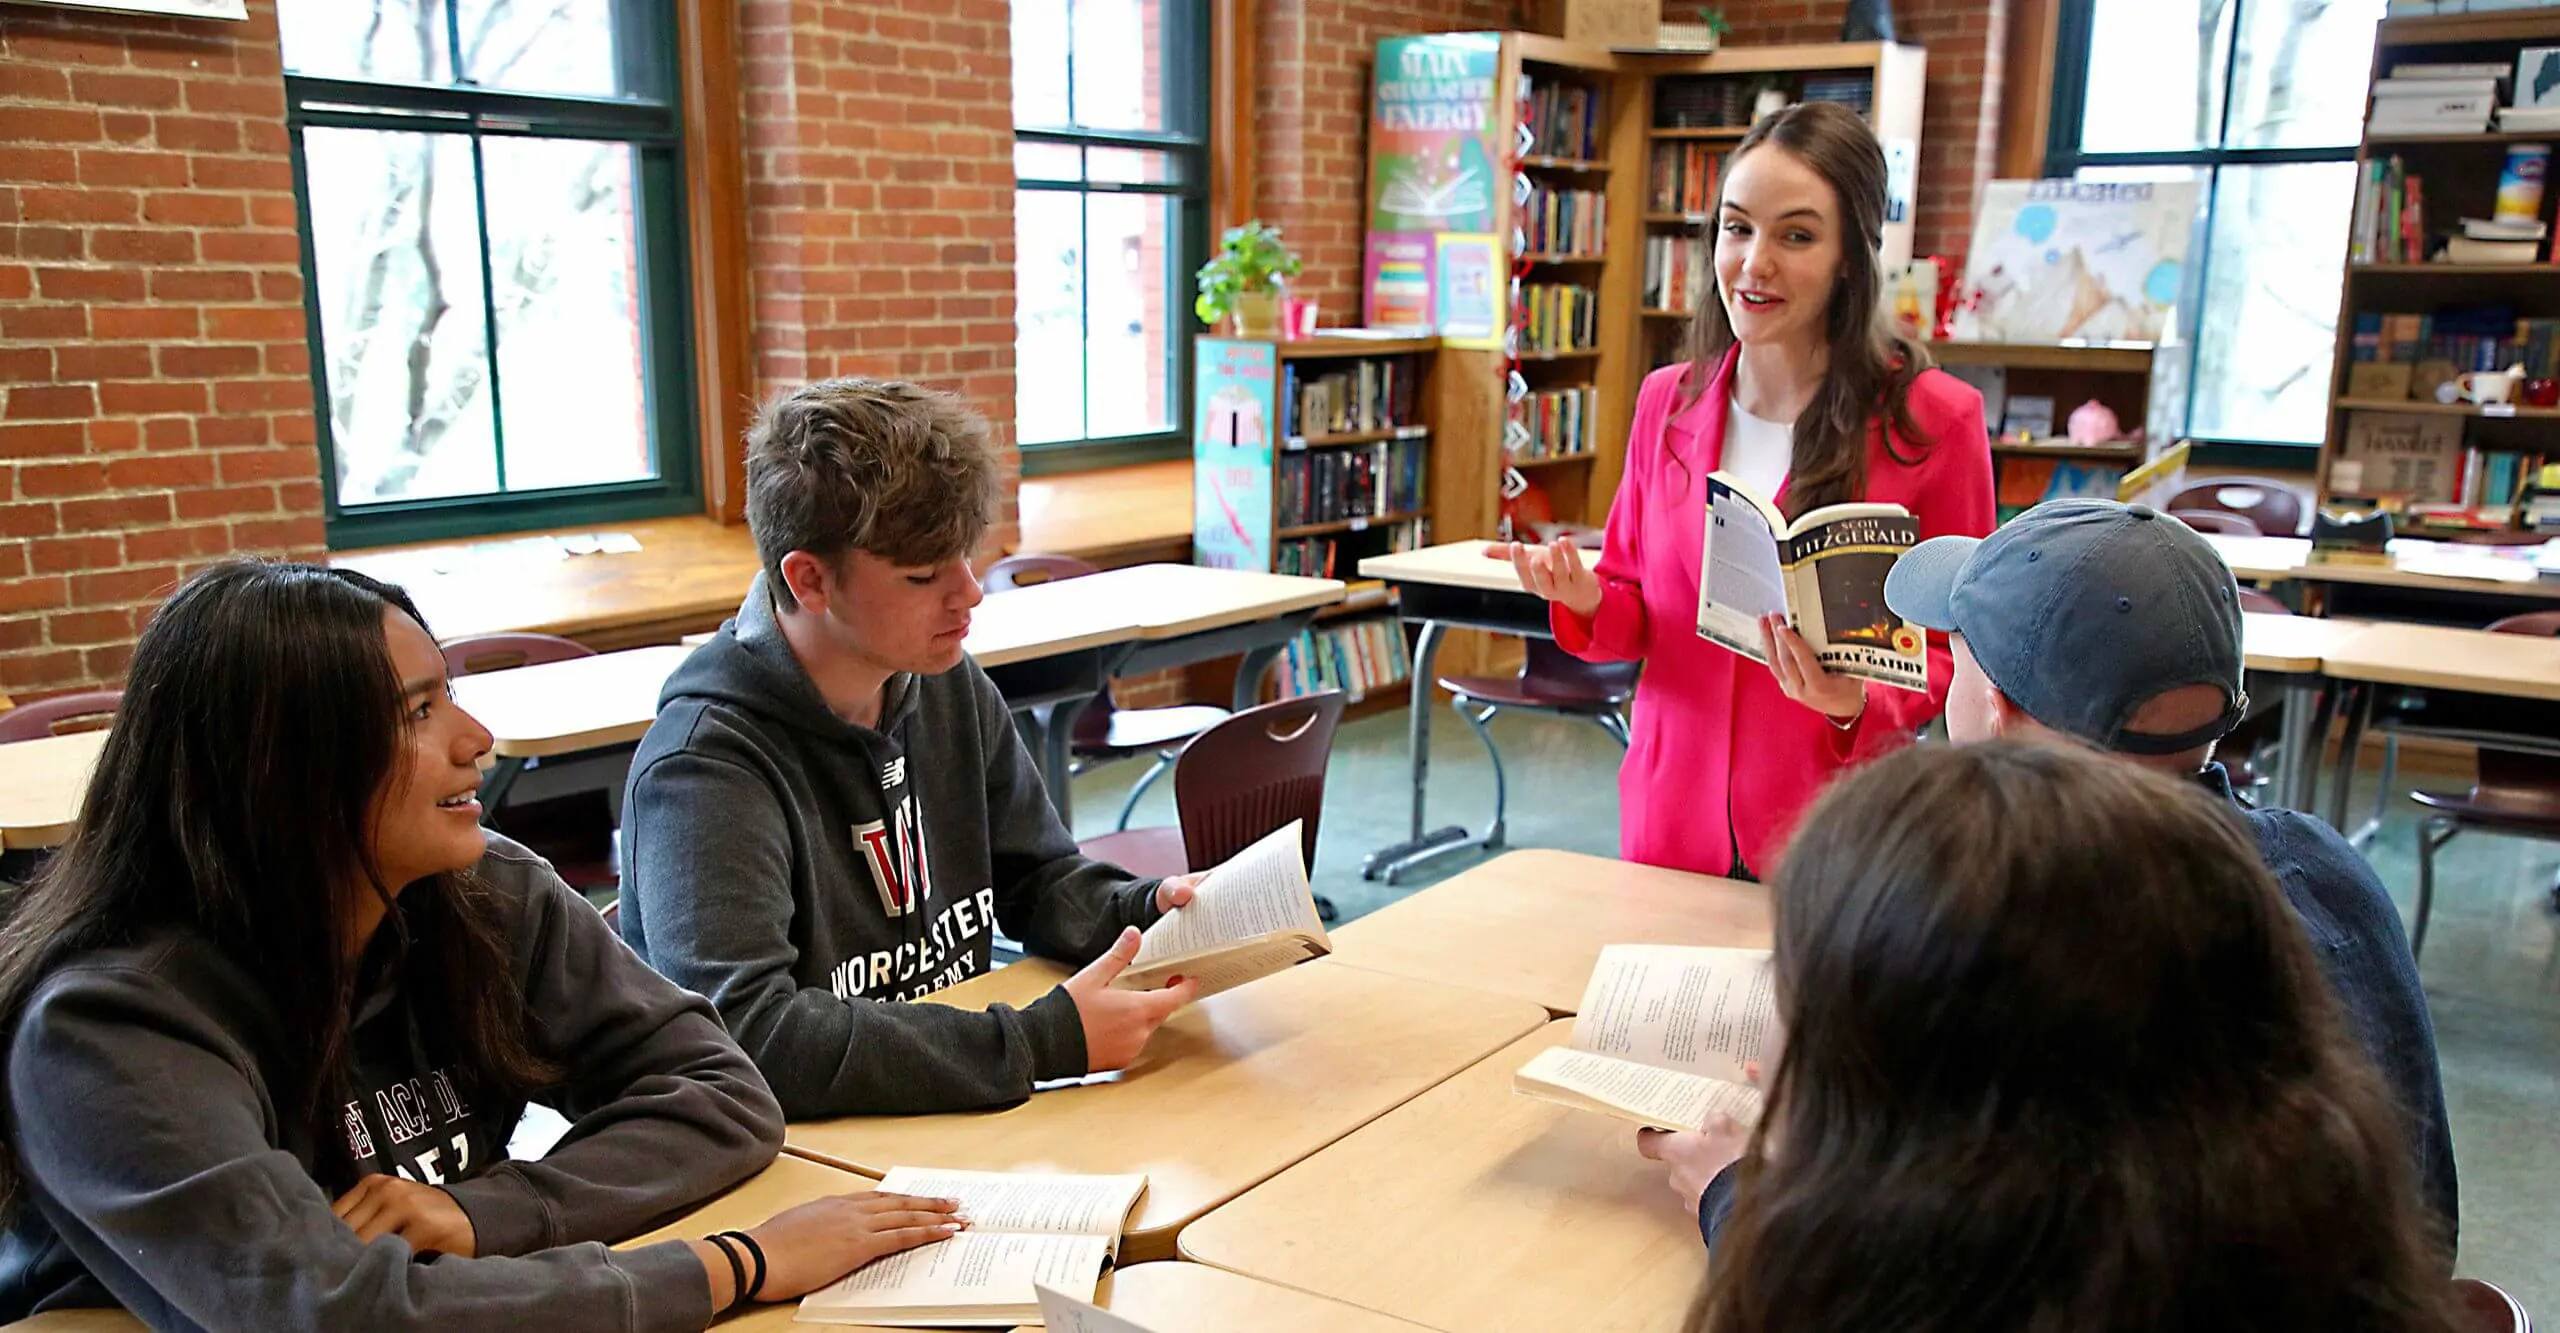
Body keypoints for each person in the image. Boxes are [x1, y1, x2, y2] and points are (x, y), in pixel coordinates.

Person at [0, 562, 968, 1330]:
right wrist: (736, 1264)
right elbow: (334, 1312)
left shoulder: (478, 891)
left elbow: (720, 1093)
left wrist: (485, 1214)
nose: (479, 739)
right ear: (281, 770)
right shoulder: (110, 1027)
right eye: (417, 712)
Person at [1642, 499, 2459, 1264]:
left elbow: (1909, 1291)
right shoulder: (2326, 869)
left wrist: (1738, 1193)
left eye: (1955, 664)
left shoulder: (2036, 949)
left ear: (1994, 709)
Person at [1679, 741, 2464, 1333]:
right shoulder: (2257, 1235)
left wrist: (1741, 1198)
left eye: (1792, 984)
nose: (1773, 1021)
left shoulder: (1958, 1286)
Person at [619, 378, 1201, 1119]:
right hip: (801, 1159)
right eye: (924, 575)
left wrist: (1151, 911)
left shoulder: (946, 683)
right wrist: (1039, 1040)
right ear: (810, 579)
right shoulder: (704, 770)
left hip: (932, 1116)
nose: (969, 593)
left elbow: (1038, 878)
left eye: (963, 558)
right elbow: (751, 1036)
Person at [1496, 100, 1994, 880]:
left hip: (1832, 834)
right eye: (1737, 228)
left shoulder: (1937, 420)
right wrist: (1585, 597)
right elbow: (1637, 608)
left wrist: (1852, 701)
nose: (1754, 263)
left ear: (1848, 259)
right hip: (1669, 822)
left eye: (1796, 235)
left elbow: (1960, 651)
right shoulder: (1669, 400)